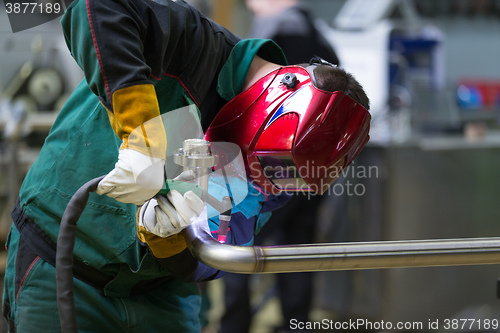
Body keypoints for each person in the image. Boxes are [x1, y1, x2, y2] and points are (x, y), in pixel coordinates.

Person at [2, 1, 370, 333]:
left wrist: (169, 240)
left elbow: (217, 256)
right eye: (269, 172)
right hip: (61, 267)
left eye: (290, 184)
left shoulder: (284, 171)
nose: (264, 188)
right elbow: (96, 7)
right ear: (272, 104)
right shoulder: (194, 44)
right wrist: (142, 137)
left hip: (162, 296)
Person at [220, 1, 342, 332]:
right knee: (297, 249)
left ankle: (235, 324)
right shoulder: (317, 35)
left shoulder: (282, 32)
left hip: (273, 167)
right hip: (314, 168)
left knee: (238, 242)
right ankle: (296, 324)